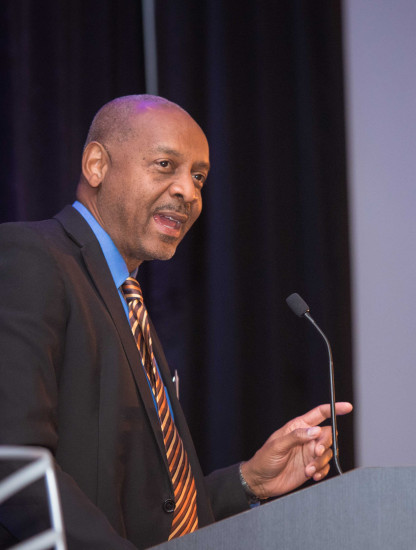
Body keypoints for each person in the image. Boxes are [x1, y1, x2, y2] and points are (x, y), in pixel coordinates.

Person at [0, 95, 353, 549]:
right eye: (165, 165)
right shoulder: (32, 258)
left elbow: (152, 513)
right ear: (96, 165)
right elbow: (13, 461)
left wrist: (248, 481)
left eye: (199, 176)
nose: (189, 191)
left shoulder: (128, 303)